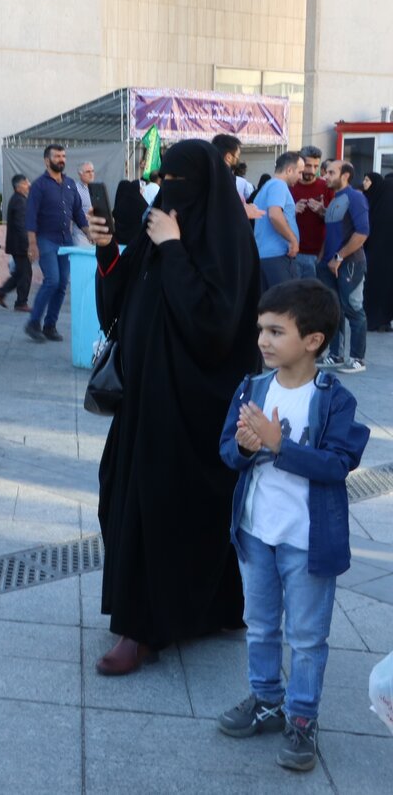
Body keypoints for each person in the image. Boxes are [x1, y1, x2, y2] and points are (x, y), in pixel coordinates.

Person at [93, 139, 261, 676]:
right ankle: (202, 609)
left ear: (205, 187)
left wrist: (174, 248)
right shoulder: (156, 229)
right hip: (145, 400)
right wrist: (106, 251)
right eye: (163, 179)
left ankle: (141, 630)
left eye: (178, 182)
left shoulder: (224, 243)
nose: (167, 192)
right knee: (124, 494)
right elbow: (115, 309)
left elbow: (213, 325)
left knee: (169, 507)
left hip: (193, 406)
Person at [216, 279, 369, 773]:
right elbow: (227, 450)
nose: (263, 340)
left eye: (276, 331)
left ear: (312, 341)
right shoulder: (253, 386)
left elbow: (338, 463)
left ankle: (302, 717)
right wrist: (243, 446)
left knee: (306, 636)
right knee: (259, 626)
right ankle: (265, 699)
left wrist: (281, 446)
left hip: (308, 541)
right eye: (261, 329)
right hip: (258, 532)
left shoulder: (333, 399)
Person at [24, 144, 90, 343]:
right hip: (46, 240)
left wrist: (88, 232)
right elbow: (30, 216)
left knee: (61, 285)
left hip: (66, 240)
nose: (61, 159)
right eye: (57, 156)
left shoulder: (70, 184)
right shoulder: (39, 186)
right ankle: (33, 322)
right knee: (52, 280)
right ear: (47, 161)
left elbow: (78, 212)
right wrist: (32, 243)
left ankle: (50, 326)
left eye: (63, 156)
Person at [317, 160, 369, 373]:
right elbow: (334, 233)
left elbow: (362, 232)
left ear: (345, 175)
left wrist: (338, 257)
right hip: (328, 265)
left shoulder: (355, 197)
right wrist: (323, 260)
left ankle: (357, 359)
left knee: (353, 310)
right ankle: (335, 355)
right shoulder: (336, 200)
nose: (325, 176)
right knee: (334, 310)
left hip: (349, 265)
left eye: (331, 172)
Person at [252, 152, 303, 291]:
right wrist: (293, 240)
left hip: (265, 257)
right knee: (286, 306)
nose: (301, 177)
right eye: (299, 172)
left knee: (271, 307)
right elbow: (274, 214)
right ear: (289, 170)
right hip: (278, 257)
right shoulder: (279, 185)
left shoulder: (266, 187)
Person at [290, 146, 332, 281]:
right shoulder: (289, 185)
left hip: (319, 254)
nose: (312, 171)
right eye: (308, 166)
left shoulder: (326, 187)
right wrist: (292, 210)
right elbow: (274, 217)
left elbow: (336, 221)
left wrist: (323, 211)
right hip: (293, 253)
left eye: (316, 166)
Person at [0, 174, 32, 311]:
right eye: (27, 182)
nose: (29, 185)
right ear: (19, 186)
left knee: (20, 273)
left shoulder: (19, 199)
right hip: (20, 245)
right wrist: (28, 245)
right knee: (26, 274)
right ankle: (21, 303)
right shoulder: (19, 201)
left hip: (17, 244)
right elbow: (21, 225)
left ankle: (1, 292)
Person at [361, 172, 392, 333]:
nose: (364, 183)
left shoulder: (374, 200)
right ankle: (384, 320)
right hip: (386, 253)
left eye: (367, 180)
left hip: (373, 253)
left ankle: (374, 320)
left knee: (373, 286)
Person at [71, 162, 96, 246]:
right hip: (81, 235)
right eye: (88, 172)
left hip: (96, 233)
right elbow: (72, 212)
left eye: (92, 171)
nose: (91, 174)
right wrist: (86, 216)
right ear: (80, 174)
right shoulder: (75, 190)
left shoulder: (97, 189)